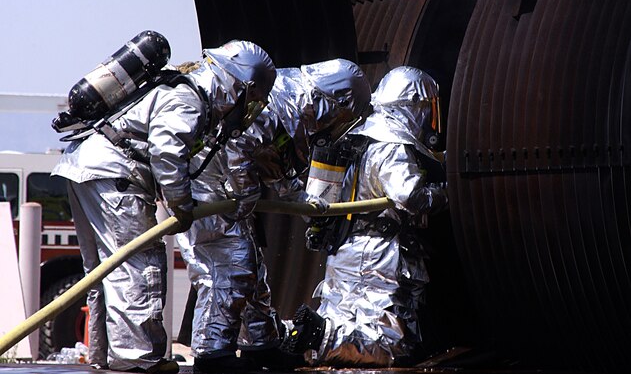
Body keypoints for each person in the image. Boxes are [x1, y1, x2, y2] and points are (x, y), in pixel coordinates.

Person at [52, 39, 276, 373]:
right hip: (116, 175)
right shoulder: (190, 99)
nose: (250, 107)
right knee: (138, 265)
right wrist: (182, 206)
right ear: (238, 85)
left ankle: (103, 355)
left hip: (88, 167)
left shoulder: (179, 88)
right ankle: (139, 361)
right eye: (253, 98)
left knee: (103, 272)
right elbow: (166, 152)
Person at [175, 58, 371, 374]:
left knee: (249, 266)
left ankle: (260, 343)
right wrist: (245, 194)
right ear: (333, 102)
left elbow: (278, 165)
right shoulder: (280, 102)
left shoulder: (294, 106)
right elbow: (238, 146)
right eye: (342, 115)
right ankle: (212, 354)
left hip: (222, 188)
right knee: (229, 264)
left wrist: (308, 204)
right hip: (208, 186)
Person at [281, 66, 448, 367]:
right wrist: (445, 193)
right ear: (413, 106)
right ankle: (317, 334)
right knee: (391, 342)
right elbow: (409, 195)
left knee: (342, 318)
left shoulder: (357, 134)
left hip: (344, 250)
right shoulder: (391, 143)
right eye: (427, 109)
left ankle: (293, 333)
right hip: (380, 256)